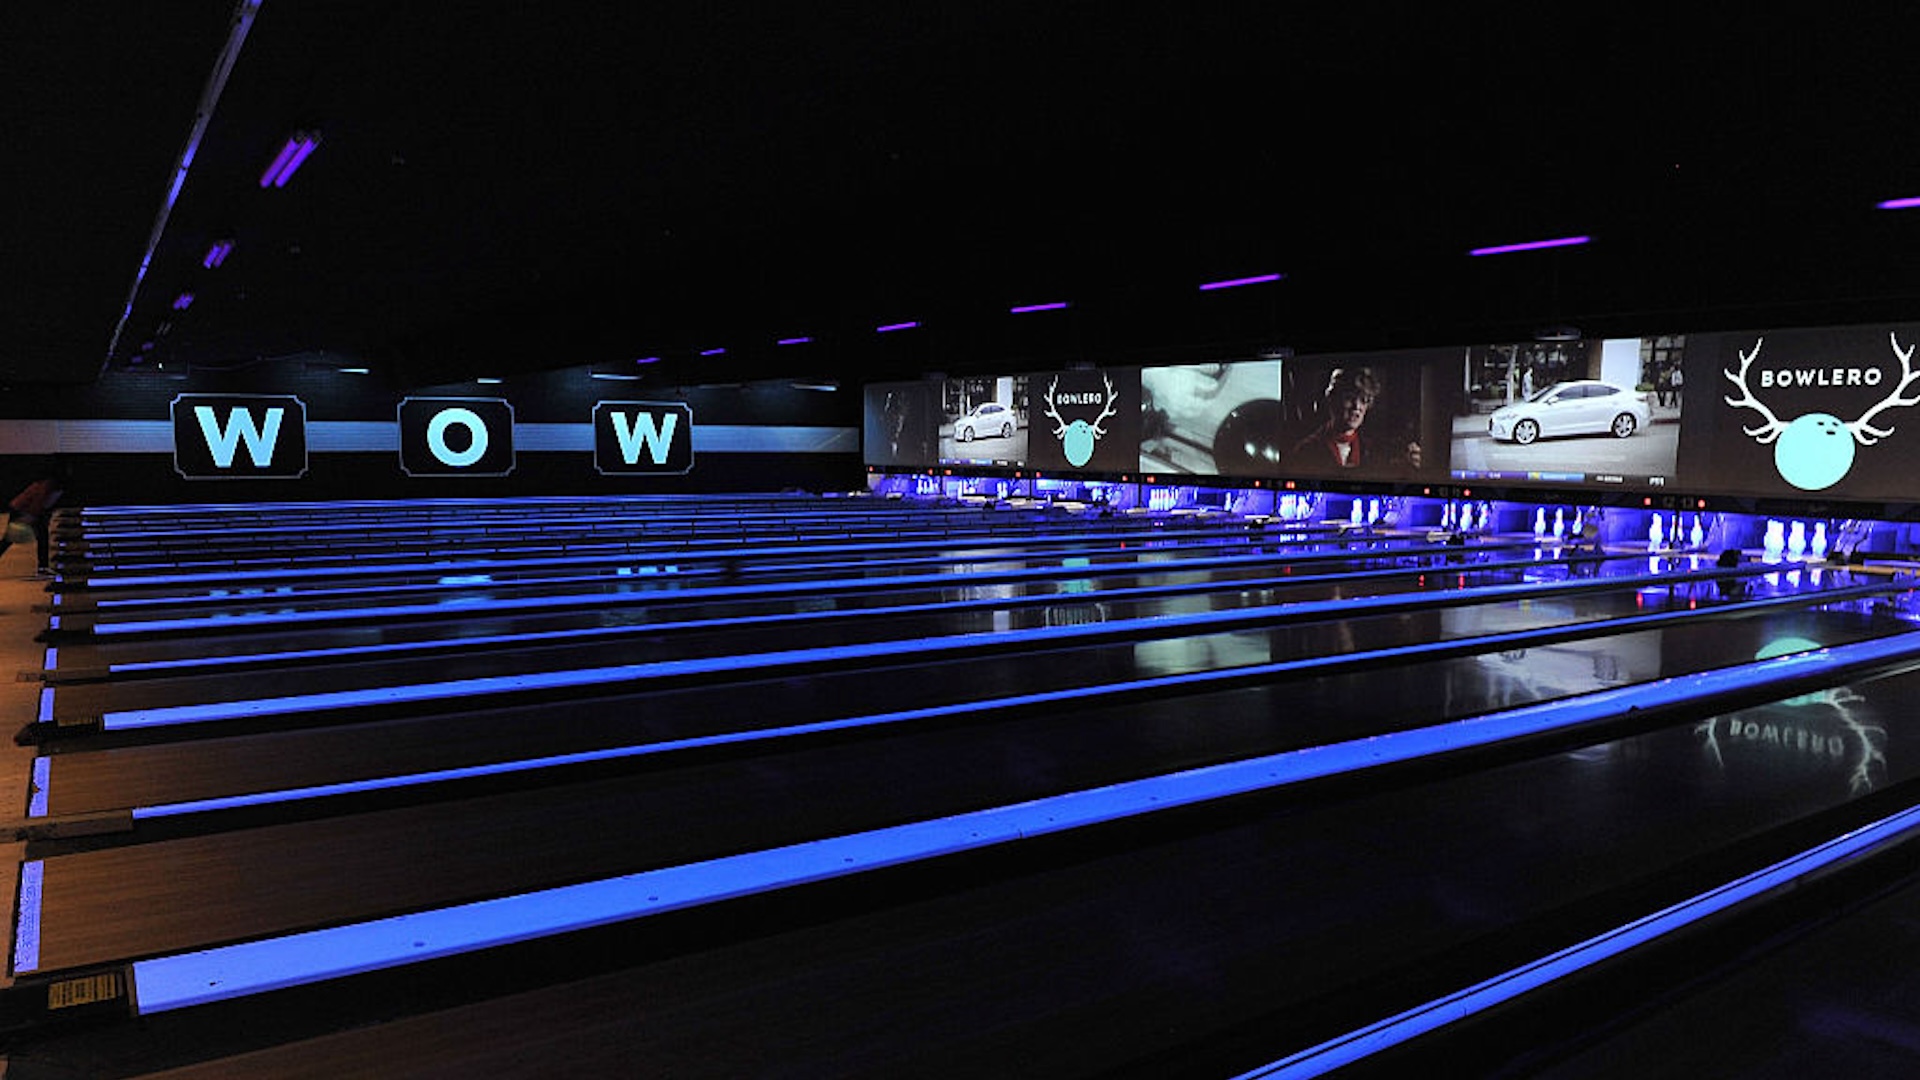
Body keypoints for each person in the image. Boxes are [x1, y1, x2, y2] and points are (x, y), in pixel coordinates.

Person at [1288, 367, 1422, 473]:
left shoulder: (1375, 449)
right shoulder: (1307, 449)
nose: (1357, 407)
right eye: (1350, 398)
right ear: (1333, 400)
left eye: (1363, 400)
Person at [0, 467, 65, 576]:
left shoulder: (49, 484)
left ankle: (43, 567)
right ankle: (43, 568)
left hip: (22, 508)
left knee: (40, 536)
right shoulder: (47, 485)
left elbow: (44, 504)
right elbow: (38, 503)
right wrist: (29, 517)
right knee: (10, 539)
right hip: (22, 509)